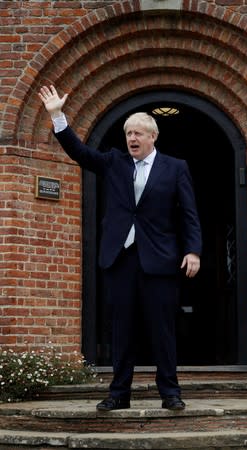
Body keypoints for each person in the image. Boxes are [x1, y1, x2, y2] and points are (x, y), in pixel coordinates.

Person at [39, 85, 202, 411]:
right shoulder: (114, 162)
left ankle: (170, 393)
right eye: (128, 133)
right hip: (121, 259)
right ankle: (118, 394)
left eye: (138, 133)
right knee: (122, 331)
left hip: (160, 260)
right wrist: (58, 115)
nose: (132, 138)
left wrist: (193, 250)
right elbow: (80, 153)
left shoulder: (175, 167)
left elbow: (188, 214)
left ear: (153, 136)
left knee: (162, 331)